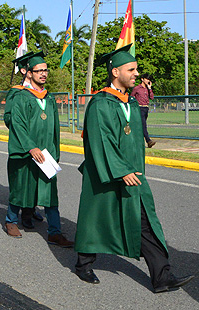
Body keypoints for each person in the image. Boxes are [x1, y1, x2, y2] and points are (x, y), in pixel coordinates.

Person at [73, 44, 195, 292]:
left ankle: (162, 277)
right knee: (97, 218)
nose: (136, 74)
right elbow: (100, 140)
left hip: (132, 174)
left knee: (144, 222)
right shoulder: (101, 103)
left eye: (136, 69)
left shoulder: (129, 102)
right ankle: (83, 264)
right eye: (131, 69)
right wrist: (120, 170)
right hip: (106, 174)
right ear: (115, 72)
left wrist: (134, 168)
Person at [2, 51, 73, 247]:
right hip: (26, 152)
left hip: (46, 153)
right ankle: (10, 221)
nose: (43, 74)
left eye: (45, 70)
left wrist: (54, 153)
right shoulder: (20, 96)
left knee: (50, 193)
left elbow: (55, 129)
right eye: (39, 71)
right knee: (20, 188)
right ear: (29, 73)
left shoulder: (49, 98)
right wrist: (30, 147)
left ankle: (54, 232)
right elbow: (16, 124)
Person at [130, 73, 156, 148]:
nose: (148, 80)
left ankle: (138, 141)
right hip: (139, 108)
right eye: (147, 79)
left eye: (149, 79)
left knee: (141, 126)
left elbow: (152, 97)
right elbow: (131, 97)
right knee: (143, 125)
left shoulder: (148, 89)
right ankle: (148, 141)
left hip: (146, 108)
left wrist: (150, 88)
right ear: (142, 79)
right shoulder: (137, 88)